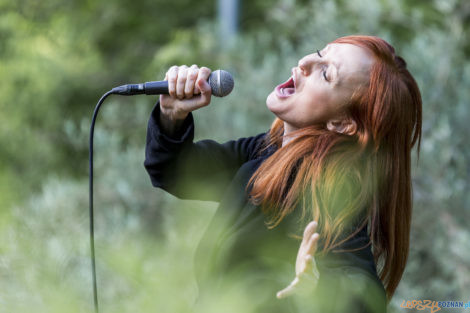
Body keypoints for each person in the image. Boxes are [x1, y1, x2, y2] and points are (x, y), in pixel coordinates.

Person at [144, 35, 422, 313]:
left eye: (326, 73)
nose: (304, 62)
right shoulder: (267, 150)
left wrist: (319, 287)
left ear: (343, 122)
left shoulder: (327, 185)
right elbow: (176, 172)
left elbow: (363, 292)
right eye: (318, 53)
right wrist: (171, 114)